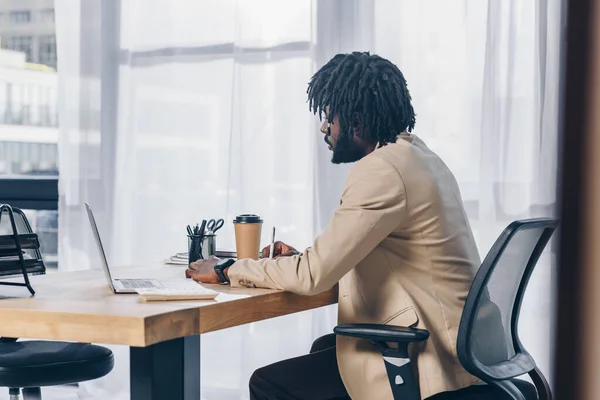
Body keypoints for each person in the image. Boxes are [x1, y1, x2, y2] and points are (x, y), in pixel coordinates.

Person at [186, 51, 483, 400]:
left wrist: (226, 269)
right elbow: (363, 259)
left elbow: (314, 276)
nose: (325, 128)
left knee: (269, 384)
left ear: (356, 120)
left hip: (429, 362)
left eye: (329, 116)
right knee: (325, 347)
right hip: (460, 350)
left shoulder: (382, 170)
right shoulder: (420, 157)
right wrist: (300, 259)